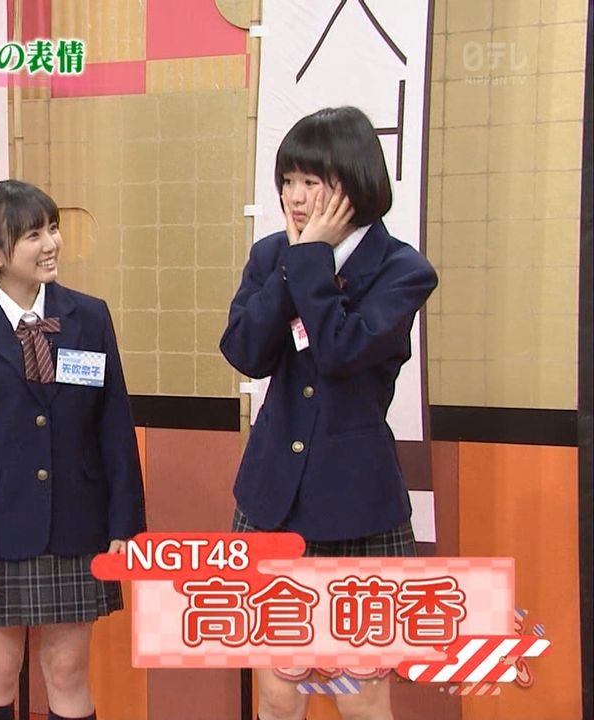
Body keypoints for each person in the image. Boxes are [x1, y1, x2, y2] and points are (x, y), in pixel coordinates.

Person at [219, 106, 439, 720]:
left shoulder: (402, 270)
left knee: (360, 694)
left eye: (311, 182)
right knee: (277, 691)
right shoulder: (272, 255)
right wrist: (294, 264)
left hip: (356, 506)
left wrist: (311, 261)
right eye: (287, 180)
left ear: (354, 183)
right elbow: (245, 352)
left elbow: (342, 351)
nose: (294, 197)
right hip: (273, 501)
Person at [0, 179, 146, 720]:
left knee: (68, 672)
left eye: (52, 229)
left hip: (78, 524)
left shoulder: (89, 317)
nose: (51, 244)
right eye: (33, 235)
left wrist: (126, 525)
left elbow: (115, 429)